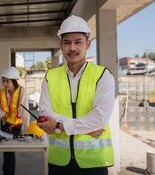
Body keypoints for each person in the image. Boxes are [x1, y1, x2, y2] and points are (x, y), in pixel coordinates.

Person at [37, 15, 115, 175]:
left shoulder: (102, 75)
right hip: (58, 162)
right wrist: (86, 128)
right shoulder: (50, 76)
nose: (72, 48)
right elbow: (45, 112)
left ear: (88, 44)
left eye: (78, 42)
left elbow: (100, 118)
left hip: (93, 162)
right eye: (67, 42)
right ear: (61, 45)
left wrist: (59, 126)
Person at [0, 66, 30, 175]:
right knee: (5, 149)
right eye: (3, 81)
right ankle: (5, 169)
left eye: (7, 81)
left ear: (14, 81)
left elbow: (24, 112)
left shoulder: (22, 92)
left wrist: (27, 129)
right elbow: (2, 111)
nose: (5, 84)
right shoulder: (0, 93)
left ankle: (9, 172)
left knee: (10, 151)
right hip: (5, 124)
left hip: (17, 125)